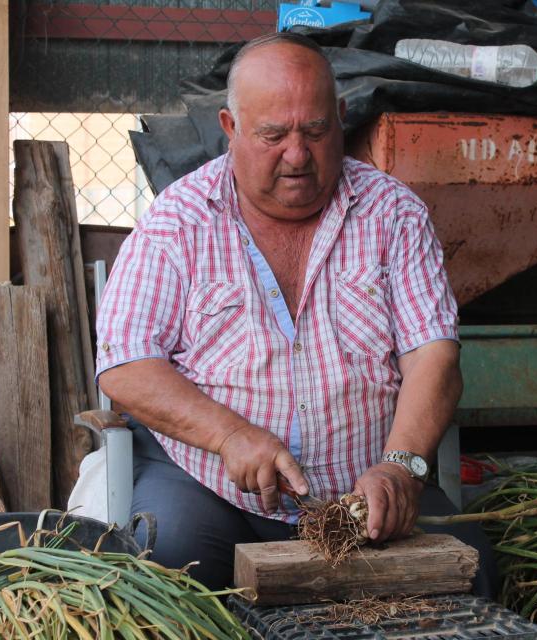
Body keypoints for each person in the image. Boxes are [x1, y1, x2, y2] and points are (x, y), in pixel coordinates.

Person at [96, 32, 495, 594]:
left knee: (473, 569)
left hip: (368, 496)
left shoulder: (394, 214)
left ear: (341, 117)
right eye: (273, 135)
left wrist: (400, 467)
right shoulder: (176, 222)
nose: (297, 155)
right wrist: (230, 435)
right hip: (212, 493)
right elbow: (125, 364)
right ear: (230, 129)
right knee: (167, 563)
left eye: (315, 130)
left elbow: (434, 355)